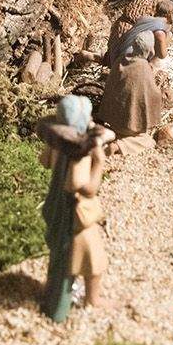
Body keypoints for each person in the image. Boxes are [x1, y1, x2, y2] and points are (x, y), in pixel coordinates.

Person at [37, 96, 113, 321]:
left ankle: (55, 297)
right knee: (92, 259)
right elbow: (83, 187)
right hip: (75, 215)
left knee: (60, 259)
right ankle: (84, 302)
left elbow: (44, 161)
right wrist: (99, 162)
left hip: (55, 207)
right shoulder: (78, 154)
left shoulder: (58, 144)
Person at [96, 35, 173, 138]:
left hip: (112, 118)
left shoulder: (122, 59)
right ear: (149, 49)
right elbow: (152, 92)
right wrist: (159, 93)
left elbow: (111, 82)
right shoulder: (143, 67)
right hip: (129, 125)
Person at [105, 0, 173, 65]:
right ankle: (151, 65)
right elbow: (159, 29)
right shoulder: (161, 0)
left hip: (119, 28)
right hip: (130, 35)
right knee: (167, 35)